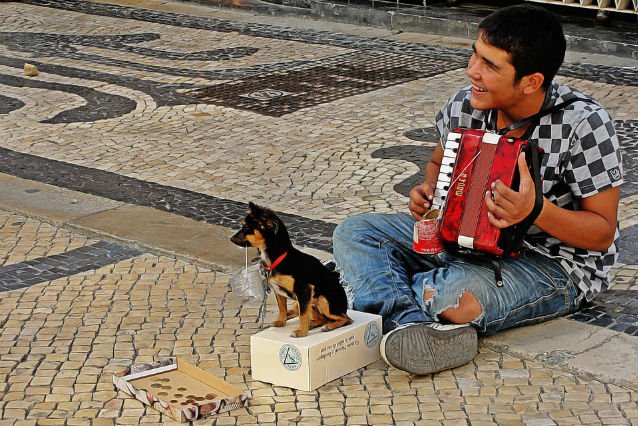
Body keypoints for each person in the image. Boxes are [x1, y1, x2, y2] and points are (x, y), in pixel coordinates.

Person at [332, 4, 623, 376]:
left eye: (490, 65)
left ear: (531, 82)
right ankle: (410, 324)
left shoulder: (583, 124)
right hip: (457, 240)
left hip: (549, 263)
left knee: (450, 295)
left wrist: (535, 211)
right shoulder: (464, 105)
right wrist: (428, 192)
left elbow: (601, 233)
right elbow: (438, 164)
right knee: (355, 232)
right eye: (475, 54)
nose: (472, 70)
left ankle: (380, 296)